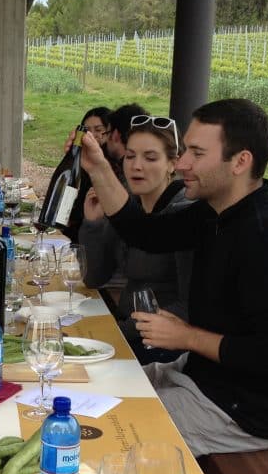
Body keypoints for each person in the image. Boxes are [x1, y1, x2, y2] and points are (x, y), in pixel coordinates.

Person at [80, 98, 268, 457]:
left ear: (241, 161)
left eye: (196, 153)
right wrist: (100, 169)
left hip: (237, 410)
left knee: (96, 441)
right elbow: (144, 232)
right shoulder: (216, 211)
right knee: (82, 395)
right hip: (199, 377)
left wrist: (186, 335)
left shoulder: (267, 235)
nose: (182, 164)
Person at [78, 114, 192, 362]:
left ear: (173, 163)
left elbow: (187, 307)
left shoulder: (184, 214)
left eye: (150, 158)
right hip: (126, 330)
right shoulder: (127, 205)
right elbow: (95, 277)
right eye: (130, 156)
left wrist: (117, 333)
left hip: (160, 349)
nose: (136, 166)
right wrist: (94, 223)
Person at [47, 106, 110, 242]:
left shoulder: (110, 168)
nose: (91, 136)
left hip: (89, 238)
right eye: (87, 131)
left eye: (98, 130)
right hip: (68, 232)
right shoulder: (79, 161)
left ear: (110, 133)